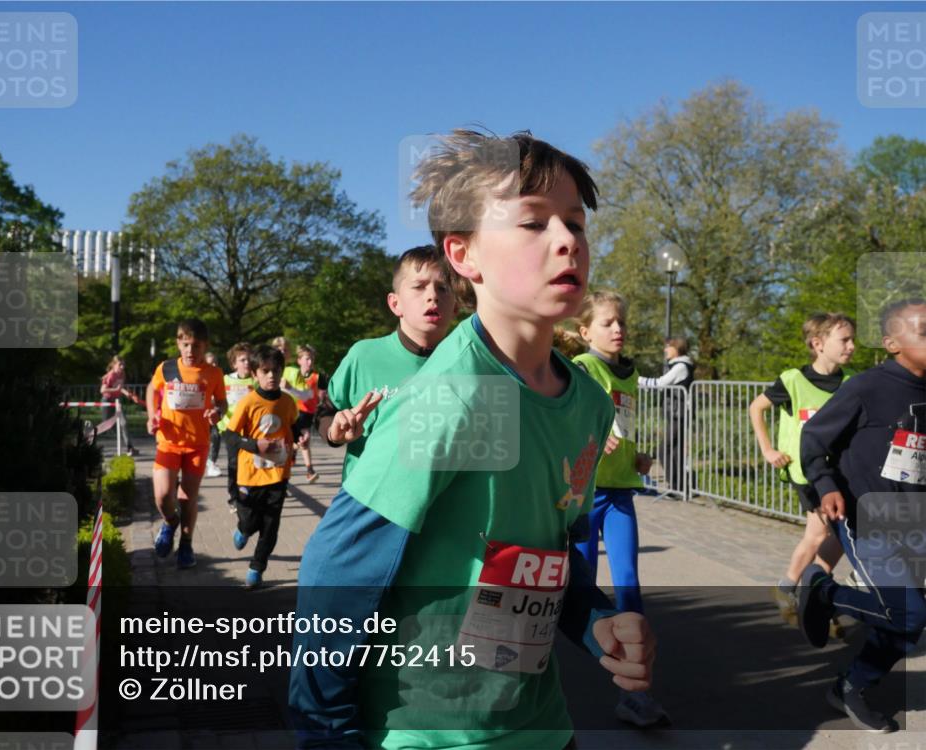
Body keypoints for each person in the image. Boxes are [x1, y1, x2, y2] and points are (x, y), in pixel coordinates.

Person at [289, 129, 656, 750]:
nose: (568, 240)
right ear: (464, 255)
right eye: (534, 223)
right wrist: (326, 733)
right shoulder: (451, 397)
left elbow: (546, 558)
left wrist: (596, 625)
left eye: (576, 222)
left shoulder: (588, 403)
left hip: (541, 727)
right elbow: (335, 574)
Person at [797, 298, 926, 733]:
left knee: (908, 618)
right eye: (923, 331)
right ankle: (824, 593)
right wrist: (827, 485)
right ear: (891, 343)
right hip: (864, 513)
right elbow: (814, 439)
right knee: (909, 613)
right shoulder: (867, 388)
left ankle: (851, 686)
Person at [572, 290, 670, 727]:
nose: (618, 329)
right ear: (584, 331)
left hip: (620, 493)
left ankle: (635, 694)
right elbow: (568, 424)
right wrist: (589, 437)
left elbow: (621, 429)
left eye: (621, 323)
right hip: (582, 494)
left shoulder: (628, 377)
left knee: (629, 584)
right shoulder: (581, 368)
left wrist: (636, 457)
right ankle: (537, 681)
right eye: (608, 323)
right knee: (578, 589)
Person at [315, 244, 457, 483]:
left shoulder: (469, 362)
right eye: (419, 286)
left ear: (456, 306)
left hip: (438, 508)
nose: (432, 295)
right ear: (395, 304)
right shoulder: (364, 355)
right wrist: (334, 432)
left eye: (443, 288)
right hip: (367, 501)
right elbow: (324, 411)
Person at [748, 314, 855, 628]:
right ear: (818, 344)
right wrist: (768, 449)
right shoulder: (793, 379)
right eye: (844, 339)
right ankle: (789, 586)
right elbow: (757, 407)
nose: (852, 345)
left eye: (852, 339)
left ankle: (813, 585)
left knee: (839, 533)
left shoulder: (852, 382)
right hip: (805, 471)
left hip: (839, 471)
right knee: (820, 531)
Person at [146, 319, 227, 569]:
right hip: (168, 442)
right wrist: (152, 415)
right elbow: (152, 389)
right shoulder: (167, 367)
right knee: (162, 497)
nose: (191, 351)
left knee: (187, 497)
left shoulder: (213, 373)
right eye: (186, 345)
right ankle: (170, 522)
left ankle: (186, 544)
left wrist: (217, 413)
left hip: (197, 444)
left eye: (196, 346)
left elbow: (222, 403)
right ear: (178, 344)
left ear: (205, 346)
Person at [224, 345, 304, 588]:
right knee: (251, 521)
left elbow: (295, 426)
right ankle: (243, 529)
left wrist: (302, 436)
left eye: (276, 371)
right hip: (250, 475)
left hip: (278, 473)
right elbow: (230, 436)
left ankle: (256, 568)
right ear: (256, 374)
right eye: (266, 371)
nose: (271, 376)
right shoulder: (249, 402)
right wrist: (253, 445)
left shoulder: (288, 402)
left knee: (271, 526)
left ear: (282, 372)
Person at [637, 337, 694, 495]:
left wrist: (635, 378)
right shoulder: (679, 365)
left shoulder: (681, 366)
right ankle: (680, 487)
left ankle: (677, 487)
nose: (665, 350)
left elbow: (661, 383)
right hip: (677, 413)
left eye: (668, 347)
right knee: (674, 450)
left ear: (677, 349)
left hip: (679, 414)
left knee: (664, 450)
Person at [218, 342, 256, 509]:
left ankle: (249, 492)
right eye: (242, 360)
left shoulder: (256, 381)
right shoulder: (225, 380)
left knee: (251, 462)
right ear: (234, 363)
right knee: (233, 462)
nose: (246, 363)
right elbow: (218, 400)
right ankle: (233, 497)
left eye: (248, 359)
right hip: (230, 428)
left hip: (250, 429)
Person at [282, 344, 327, 483]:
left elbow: (320, 394)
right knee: (304, 440)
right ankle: (309, 470)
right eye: (307, 359)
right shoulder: (290, 374)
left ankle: (297, 454)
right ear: (299, 361)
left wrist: (322, 400)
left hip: (307, 412)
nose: (310, 362)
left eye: (312, 359)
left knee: (302, 441)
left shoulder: (317, 376)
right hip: (293, 411)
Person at [99, 355, 138, 456]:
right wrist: (115, 390)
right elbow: (102, 390)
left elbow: (120, 387)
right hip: (107, 401)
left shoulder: (122, 374)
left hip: (117, 401)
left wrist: (127, 394)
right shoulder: (110, 375)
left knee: (124, 423)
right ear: (114, 365)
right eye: (120, 364)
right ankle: (88, 438)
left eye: (123, 365)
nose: (122, 367)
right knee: (106, 426)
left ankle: (130, 447)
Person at [203, 351, 224, 477]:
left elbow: (222, 399)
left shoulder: (219, 377)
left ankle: (211, 462)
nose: (214, 364)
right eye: (211, 363)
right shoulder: (200, 377)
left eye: (216, 362)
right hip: (200, 415)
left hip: (214, 414)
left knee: (216, 436)